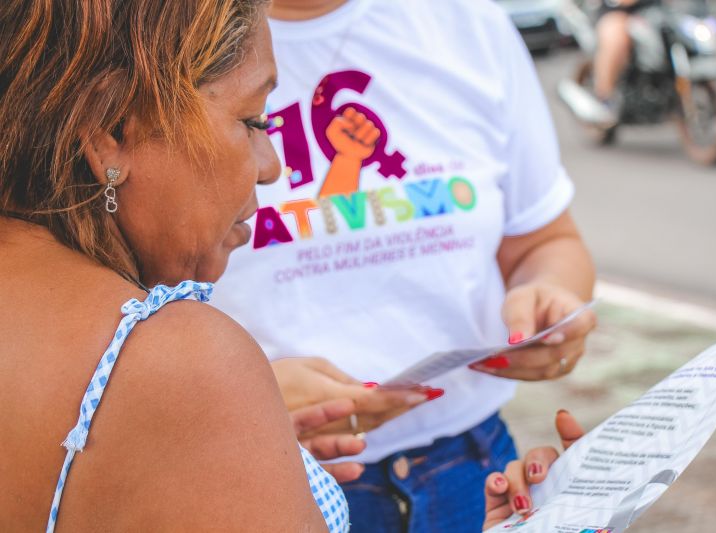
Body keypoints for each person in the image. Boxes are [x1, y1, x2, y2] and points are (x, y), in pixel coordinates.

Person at [0, 0, 585, 531]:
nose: (272, 166)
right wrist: (234, 407)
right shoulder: (185, 362)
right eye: (255, 122)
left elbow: (545, 237)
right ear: (111, 133)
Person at [212, 0, 597, 531]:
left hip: (476, 468)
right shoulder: (167, 38)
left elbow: (547, 239)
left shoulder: (467, 23)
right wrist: (236, 402)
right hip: (266, 484)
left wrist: (549, 297)